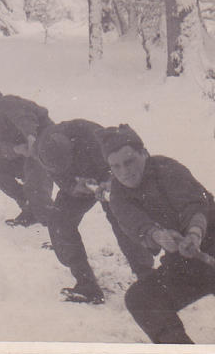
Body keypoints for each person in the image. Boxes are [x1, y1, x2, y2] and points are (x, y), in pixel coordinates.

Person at [96, 124, 215, 343]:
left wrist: (194, 234)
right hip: (184, 261)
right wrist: (157, 236)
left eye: (129, 161)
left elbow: (195, 205)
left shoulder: (166, 169)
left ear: (143, 153)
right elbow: (136, 225)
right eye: (116, 166)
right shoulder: (118, 196)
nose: (124, 172)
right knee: (141, 299)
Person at [34, 120, 154, 304]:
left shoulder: (92, 135)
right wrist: (73, 185)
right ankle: (86, 285)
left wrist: (109, 181)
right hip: (81, 183)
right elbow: (55, 174)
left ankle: (147, 278)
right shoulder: (42, 148)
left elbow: (123, 163)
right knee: (59, 221)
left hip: (110, 178)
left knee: (120, 220)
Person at [0, 92, 54, 227]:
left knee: (35, 187)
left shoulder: (7, 103)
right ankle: (29, 206)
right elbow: (2, 145)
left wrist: (31, 138)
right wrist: (16, 149)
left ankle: (56, 228)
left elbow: (24, 118)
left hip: (45, 145)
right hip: (27, 154)